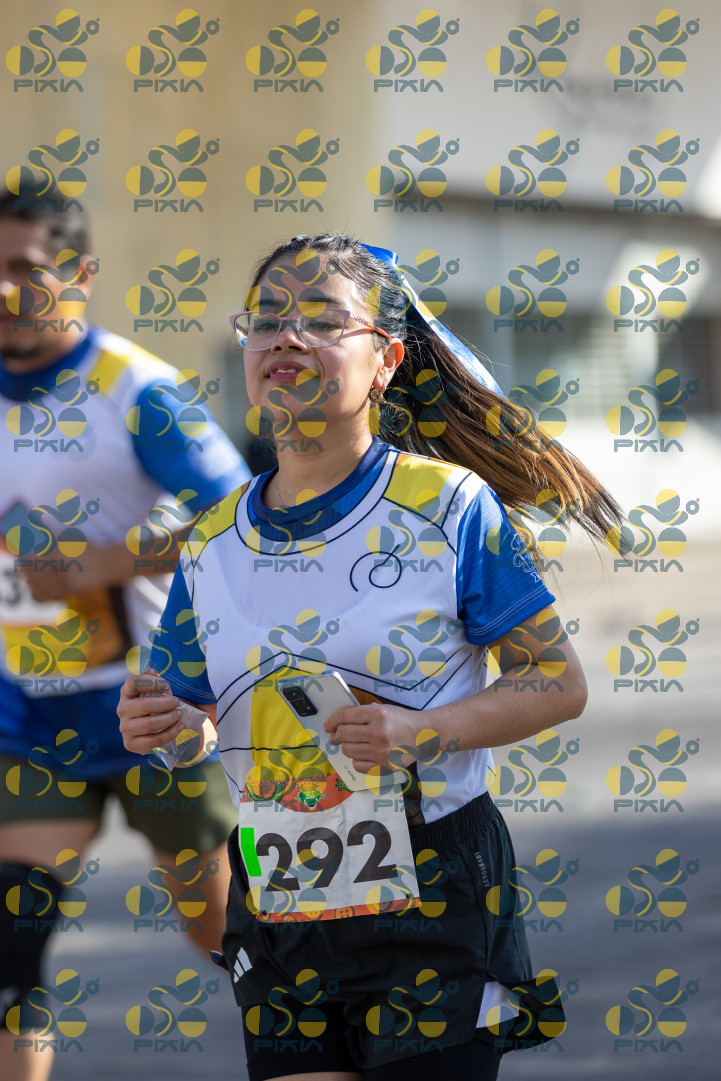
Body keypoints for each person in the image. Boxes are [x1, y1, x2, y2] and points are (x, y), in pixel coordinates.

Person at [118, 234, 623, 1081]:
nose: (286, 337)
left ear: (385, 360)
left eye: (321, 321)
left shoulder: (446, 505)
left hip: (434, 887)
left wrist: (422, 730)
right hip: (278, 888)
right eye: (266, 320)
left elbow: (555, 682)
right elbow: (195, 721)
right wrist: (166, 727)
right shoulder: (209, 540)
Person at [0, 187, 251, 1081]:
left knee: (225, 934)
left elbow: (244, 517)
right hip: (28, 715)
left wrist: (105, 561)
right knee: (10, 943)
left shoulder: (137, 389)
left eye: (25, 268)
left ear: (79, 274)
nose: (3, 289)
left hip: (155, 708)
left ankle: (338, 1042)